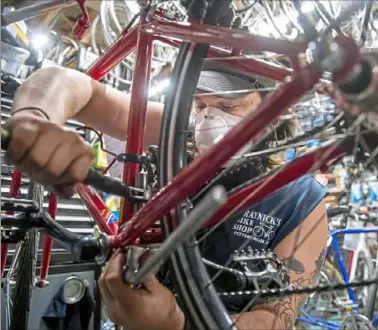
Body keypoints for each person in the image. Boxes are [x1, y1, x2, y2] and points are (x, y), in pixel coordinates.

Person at [4, 65, 329, 329]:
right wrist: (37, 117)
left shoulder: (299, 198)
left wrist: (177, 324)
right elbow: (75, 85)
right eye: (201, 104)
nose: (209, 120)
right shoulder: (176, 134)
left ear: (273, 113)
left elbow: (276, 319)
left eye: (229, 106)